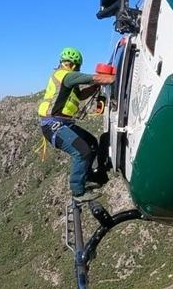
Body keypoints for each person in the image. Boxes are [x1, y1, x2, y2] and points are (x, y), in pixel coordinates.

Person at [38, 47, 115, 202]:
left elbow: (79, 95)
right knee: (82, 152)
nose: (78, 69)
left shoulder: (65, 78)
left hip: (61, 123)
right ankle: (78, 192)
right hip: (54, 125)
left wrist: (95, 88)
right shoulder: (66, 75)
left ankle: (87, 177)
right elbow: (95, 78)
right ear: (73, 65)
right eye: (78, 67)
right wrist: (113, 78)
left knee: (91, 142)